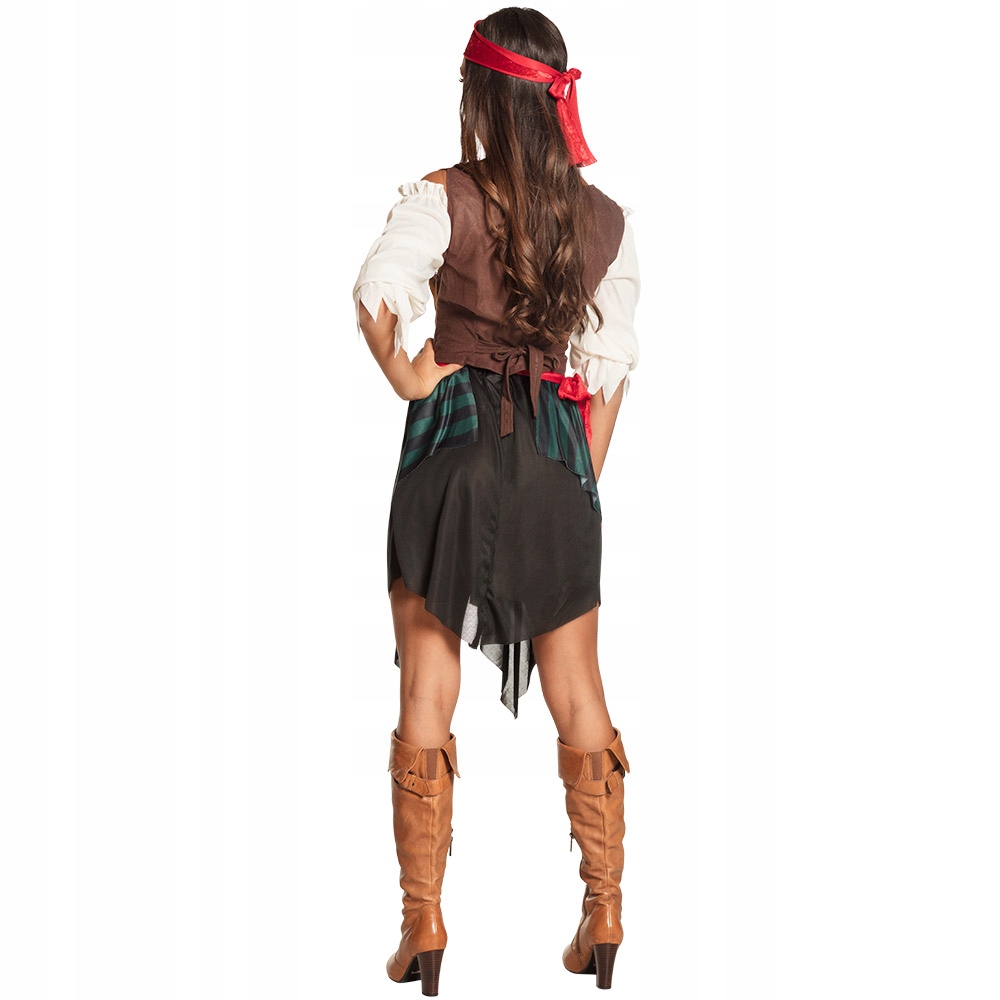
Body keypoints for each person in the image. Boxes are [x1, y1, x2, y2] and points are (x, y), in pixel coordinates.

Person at [353, 9, 639, 995]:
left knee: (426, 690)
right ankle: (604, 911)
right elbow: (609, 372)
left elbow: (376, 290)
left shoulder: (447, 197)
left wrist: (408, 374)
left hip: (453, 454)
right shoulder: (604, 221)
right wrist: (574, 480)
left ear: (480, 97)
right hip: (557, 463)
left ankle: (423, 925)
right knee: (579, 689)